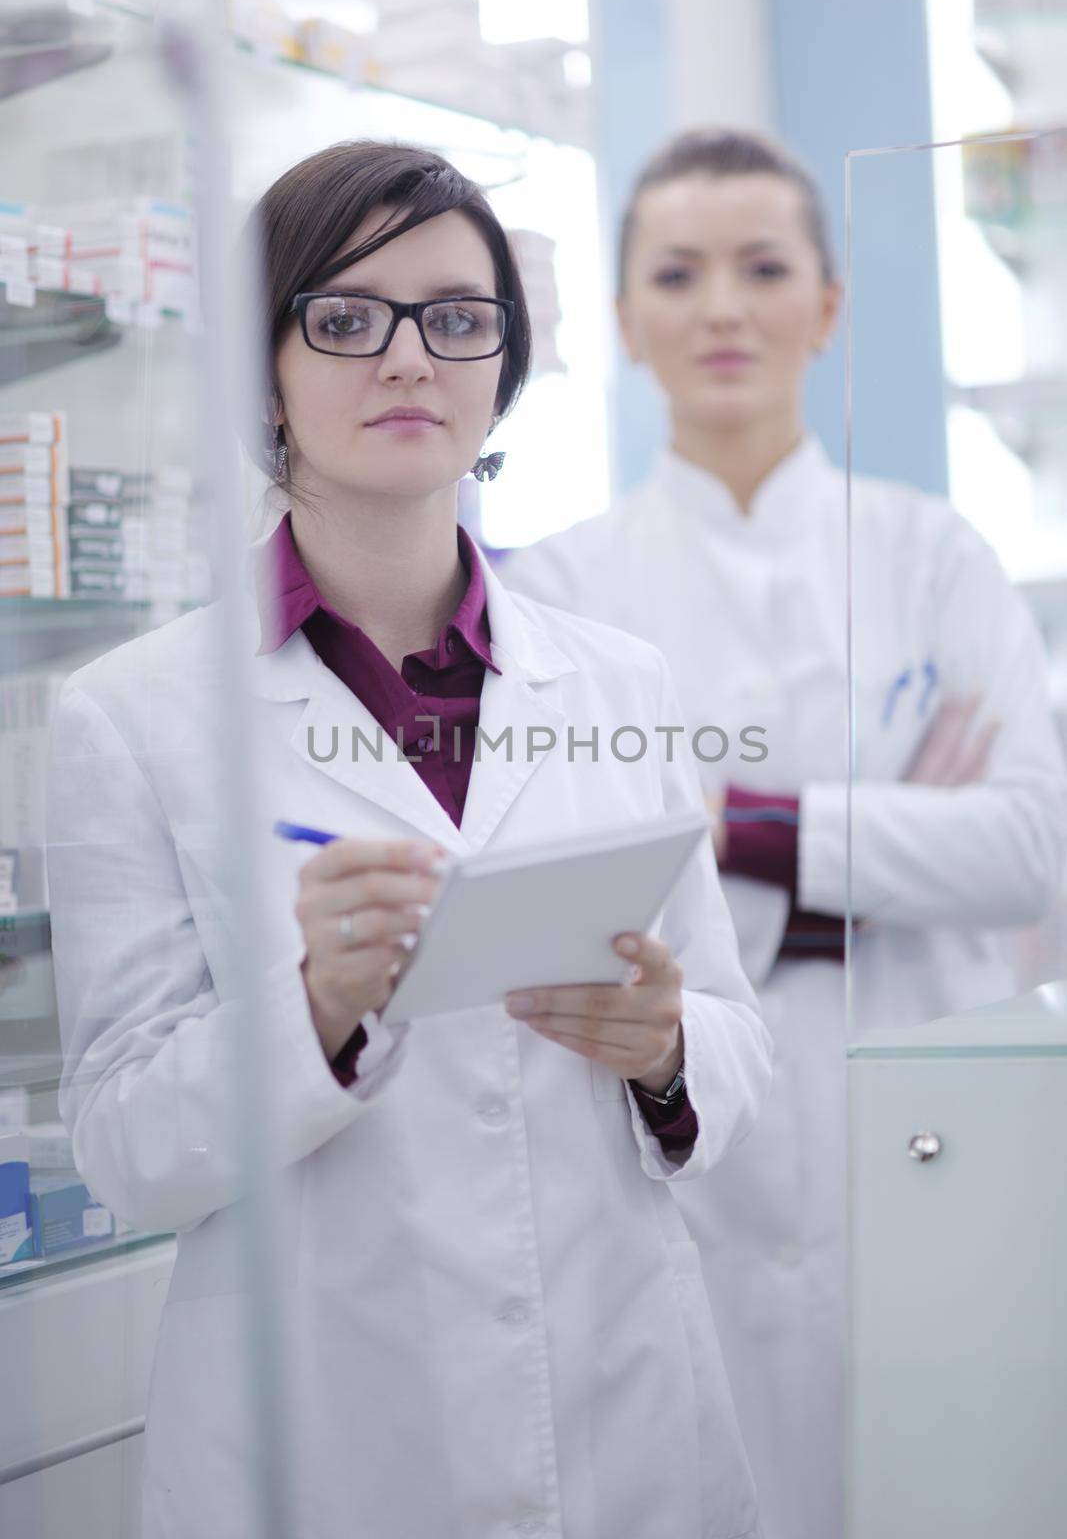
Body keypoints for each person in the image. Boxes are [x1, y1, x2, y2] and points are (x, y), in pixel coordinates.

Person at [45, 139, 773, 1539]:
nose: (406, 358)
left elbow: (735, 1037)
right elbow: (124, 1146)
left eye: (456, 317)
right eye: (344, 317)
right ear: (262, 369)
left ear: (502, 362)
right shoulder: (132, 717)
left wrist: (669, 1051)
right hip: (324, 1439)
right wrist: (312, 1012)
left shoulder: (616, 682)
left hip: (625, 1418)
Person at [499, 128, 1067, 1539]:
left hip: (948, 1120)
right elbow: (573, 914)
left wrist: (732, 827)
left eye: (763, 268)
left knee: (965, 1484)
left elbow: (1031, 846)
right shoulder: (560, 590)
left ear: (827, 303)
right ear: (627, 322)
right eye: (678, 274)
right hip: (695, 1159)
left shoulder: (933, 553)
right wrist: (884, 854)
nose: (723, 307)